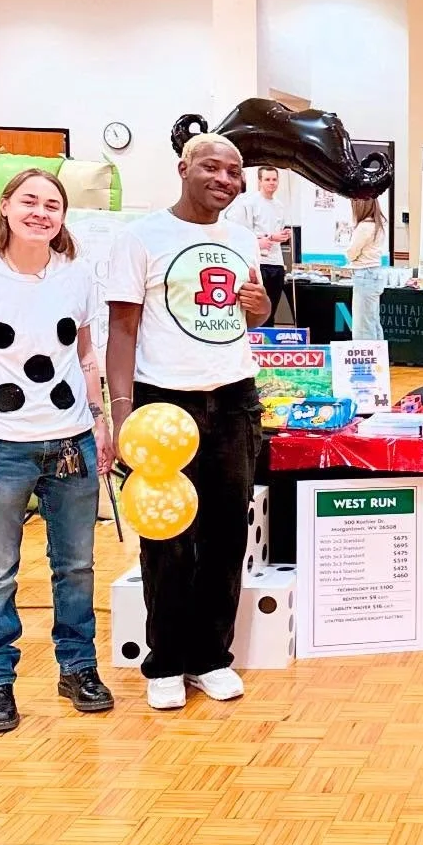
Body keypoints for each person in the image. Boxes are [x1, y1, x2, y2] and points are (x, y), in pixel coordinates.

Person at [105, 136, 269, 712]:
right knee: (167, 536)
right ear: (183, 167)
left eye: (234, 171)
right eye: (212, 166)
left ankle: (210, 657)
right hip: (162, 405)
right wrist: (122, 412)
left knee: (227, 533)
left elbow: (257, 310)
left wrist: (259, 305)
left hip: (235, 399)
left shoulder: (242, 236)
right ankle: (166, 661)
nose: (225, 178)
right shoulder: (141, 237)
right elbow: (121, 330)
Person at [0, 170, 115, 733]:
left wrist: (99, 422)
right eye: (29, 200)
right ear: (4, 207)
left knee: (75, 566)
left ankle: (78, 668)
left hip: (70, 439)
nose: (41, 212)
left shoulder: (75, 276)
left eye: (53, 204)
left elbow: (86, 354)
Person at [227, 165, 290, 325]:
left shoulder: (280, 206)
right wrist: (263, 239)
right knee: (255, 310)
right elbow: (239, 232)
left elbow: (277, 232)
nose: (271, 183)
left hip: (276, 262)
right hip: (257, 263)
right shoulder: (249, 203)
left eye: (274, 179)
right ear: (260, 181)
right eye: (267, 179)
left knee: (271, 309)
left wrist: (282, 236)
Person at [347, 197, 386, 342]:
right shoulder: (378, 225)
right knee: (373, 322)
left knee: (362, 326)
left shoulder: (363, 227)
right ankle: (378, 361)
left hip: (364, 274)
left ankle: (367, 363)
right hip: (374, 273)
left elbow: (351, 252)